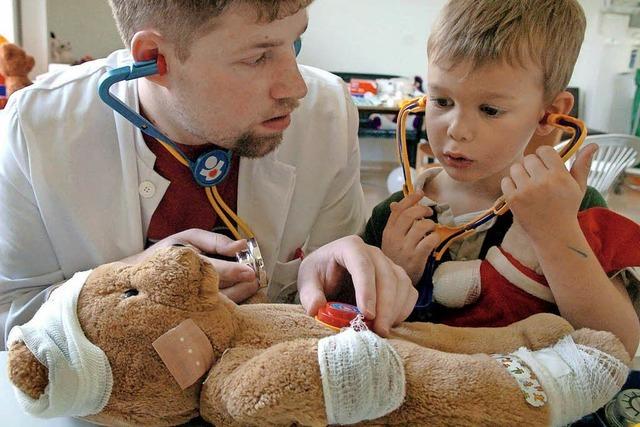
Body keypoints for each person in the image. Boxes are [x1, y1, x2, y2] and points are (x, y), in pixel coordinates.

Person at [0, 0, 416, 349]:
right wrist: (123, 286)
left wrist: (340, 283)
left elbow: (326, 312)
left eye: (296, 42)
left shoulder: (327, 112)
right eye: (257, 57)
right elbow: (8, 319)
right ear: (152, 60)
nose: (296, 87)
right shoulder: (36, 129)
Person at [363, 0, 640, 356]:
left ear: (548, 115)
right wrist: (393, 271)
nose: (457, 130)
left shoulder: (573, 206)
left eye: (490, 110)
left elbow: (618, 344)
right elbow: (355, 329)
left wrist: (556, 234)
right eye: (442, 101)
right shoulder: (395, 216)